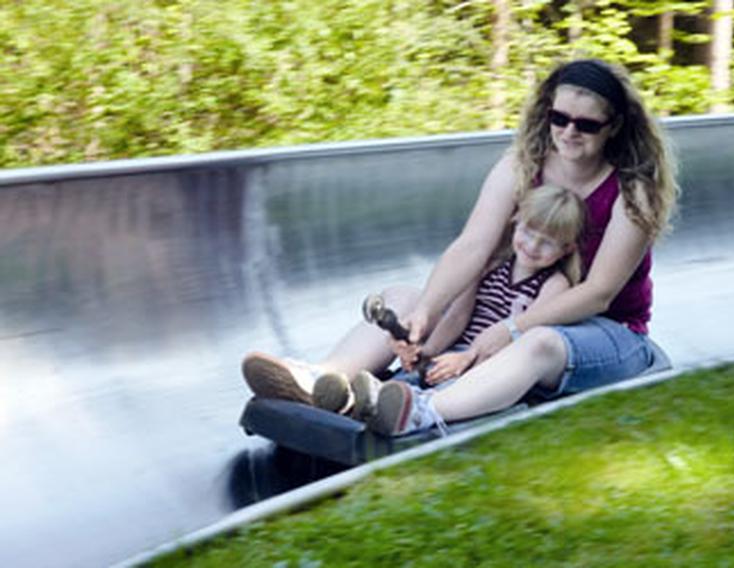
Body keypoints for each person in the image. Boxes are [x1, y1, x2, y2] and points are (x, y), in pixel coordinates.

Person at [247, 58, 678, 437]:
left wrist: (513, 330)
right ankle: (324, 380)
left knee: (540, 342)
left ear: (614, 126)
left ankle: (420, 411)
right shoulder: (522, 165)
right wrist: (426, 314)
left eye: (586, 125)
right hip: (517, 311)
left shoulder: (630, 192)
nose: (568, 132)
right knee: (402, 299)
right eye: (559, 117)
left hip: (606, 331)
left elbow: (598, 292)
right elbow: (473, 245)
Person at [243, 183, 587, 420]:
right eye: (528, 231)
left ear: (566, 249)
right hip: (450, 358)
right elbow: (459, 315)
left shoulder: (553, 284)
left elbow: (520, 338)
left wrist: (467, 359)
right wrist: (427, 350)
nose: (533, 245)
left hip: (486, 366)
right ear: (515, 222)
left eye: (548, 242)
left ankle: (375, 405)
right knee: (406, 380)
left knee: (419, 394)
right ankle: (335, 394)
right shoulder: (492, 266)